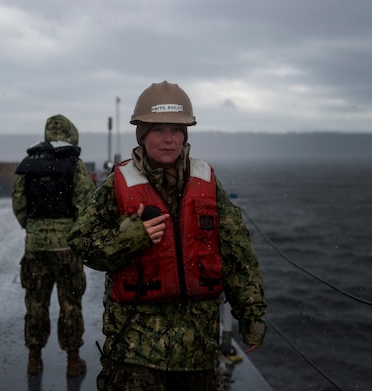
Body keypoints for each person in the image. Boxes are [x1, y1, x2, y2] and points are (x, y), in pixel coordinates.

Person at [67, 81, 267, 390]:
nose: (169, 139)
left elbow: (237, 253)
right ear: (142, 135)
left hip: (197, 351)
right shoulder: (118, 185)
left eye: (177, 130)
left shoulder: (207, 182)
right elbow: (80, 242)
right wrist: (129, 237)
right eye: (158, 130)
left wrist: (251, 314)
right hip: (134, 351)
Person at [12, 114, 96, 377]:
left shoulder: (28, 164)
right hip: (66, 247)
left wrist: (33, 227)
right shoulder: (75, 165)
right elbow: (86, 205)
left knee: (36, 300)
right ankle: (73, 360)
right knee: (70, 302)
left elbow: (19, 203)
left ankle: (34, 358)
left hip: (35, 245)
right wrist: (72, 232)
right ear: (71, 134)